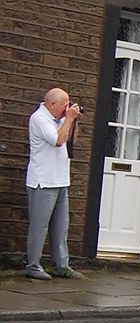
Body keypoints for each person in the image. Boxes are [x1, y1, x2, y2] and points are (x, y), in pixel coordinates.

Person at [25, 87, 84, 280]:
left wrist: (72, 121)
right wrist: (68, 119)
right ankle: (33, 266)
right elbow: (58, 140)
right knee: (39, 227)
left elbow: (70, 142)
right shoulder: (39, 118)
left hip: (60, 179)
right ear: (52, 104)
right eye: (64, 105)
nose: (67, 108)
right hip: (43, 181)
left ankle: (61, 266)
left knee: (61, 227)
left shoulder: (60, 120)